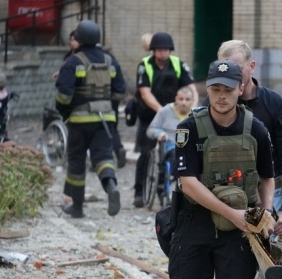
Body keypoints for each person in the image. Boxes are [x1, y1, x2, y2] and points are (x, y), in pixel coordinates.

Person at [171, 59, 275, 279]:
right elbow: (188, 183)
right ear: (207, 89)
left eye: (228, 89)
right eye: (215, 88)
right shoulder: (188, 128)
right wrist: (233, 215)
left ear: (240, 89)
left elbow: (268, 177)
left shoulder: (255, 128)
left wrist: (266, 212)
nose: (221, 95)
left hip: (238, 234)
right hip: (195, 221)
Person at [216, 39, 282, 279]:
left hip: (267, 192)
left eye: (236, 69)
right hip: (226, 196)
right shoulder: (215, 106)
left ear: (251, 68)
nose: (228, 78)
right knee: (238, 275)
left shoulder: (276, 106)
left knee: (266, 272)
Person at [55, 20, 126, 218]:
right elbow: (120, 90)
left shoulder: (73, 61)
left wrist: (64, 112)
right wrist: (108, 107)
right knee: (103, 157)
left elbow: (63, 96)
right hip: (105, 120)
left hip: (79, 121)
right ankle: (111, 186)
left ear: (77, 39)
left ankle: (77, 207)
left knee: (77, 161)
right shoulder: (110, 60)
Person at [133, 32, 198, 208]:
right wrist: (163, 112)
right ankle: (139, 191)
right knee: (146, 152)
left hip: (175, 112)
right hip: (151, 115)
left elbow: (192, 89)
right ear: (153, 51)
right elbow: (145, 93)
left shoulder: (178, 64)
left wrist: (192, 108)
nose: (163, 53)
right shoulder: (145, 65)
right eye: (159, 50)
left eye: (166, 50)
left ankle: (171, 190)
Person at [146, 86, 194, 199]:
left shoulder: (194, 115)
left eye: (187, 100)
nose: (184, 103)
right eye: (181, 99)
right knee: (175, 155)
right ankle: (167, 190)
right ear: (176, 98)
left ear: (192, 101)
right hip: (170, 146)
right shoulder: (165, 111)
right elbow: (150, 129)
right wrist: (159, 133)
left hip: (189, 149)